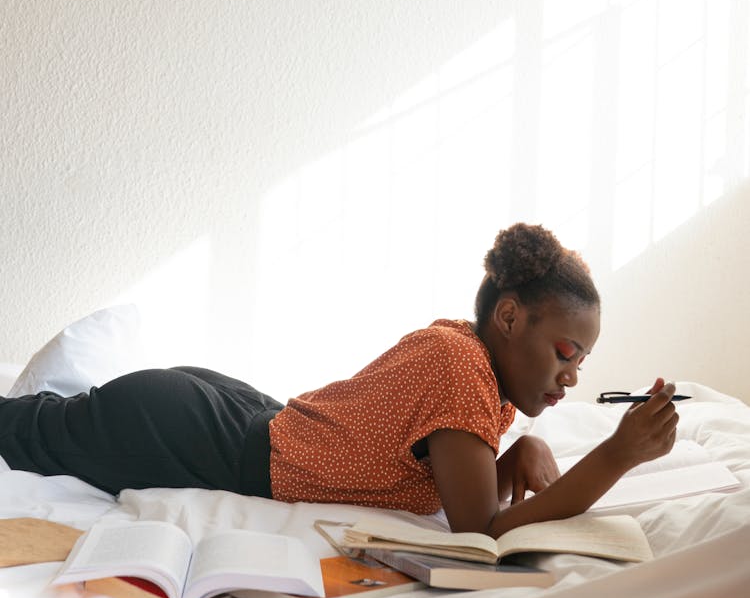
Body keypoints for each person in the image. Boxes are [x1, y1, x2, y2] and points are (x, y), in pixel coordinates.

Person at [0, 223, 679, 537]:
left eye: (583, 361)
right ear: (508, 317)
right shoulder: (460, 372)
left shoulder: (466, 356)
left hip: (236, 417)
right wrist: (616, 455)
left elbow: (442, 486)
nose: (572, 374)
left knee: (45, 418)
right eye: (565, 351)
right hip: (198, 434)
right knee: (21, 430)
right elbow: (479, 530)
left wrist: (514, 458)